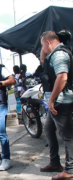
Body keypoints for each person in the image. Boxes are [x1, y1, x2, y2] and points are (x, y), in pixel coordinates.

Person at [39, 31, 73, 180]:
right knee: (48, 129)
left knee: (66, 136)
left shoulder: (59, 55)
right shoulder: (53, 55)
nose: (43, 49)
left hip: (61, 101)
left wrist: (52, 100)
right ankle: (54, 162)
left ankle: (70, 168)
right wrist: (44, 45)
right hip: (55, 101)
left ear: (48, 43)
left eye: (43, 45)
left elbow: (62, 76)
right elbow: (43, 61)